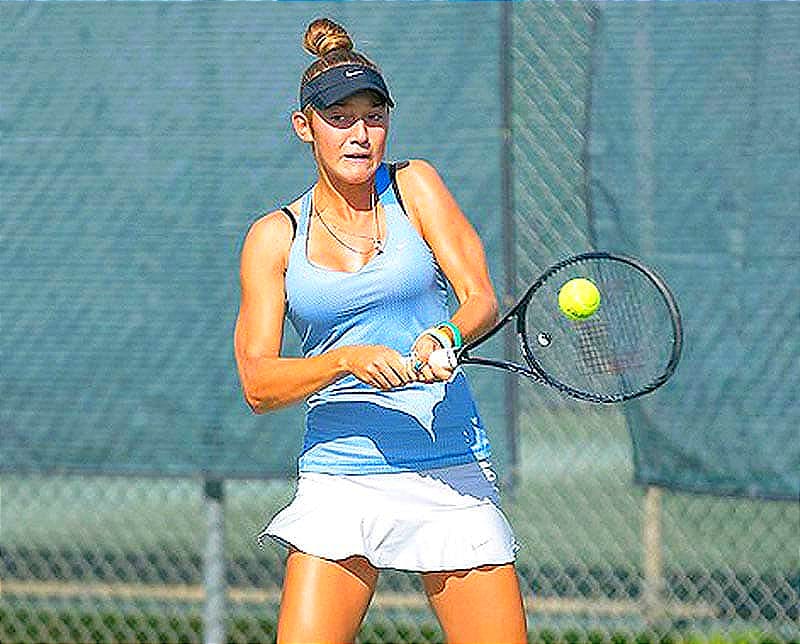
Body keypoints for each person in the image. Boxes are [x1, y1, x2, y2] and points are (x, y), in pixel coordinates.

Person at [234, 17, 527, 644]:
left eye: (373, 117)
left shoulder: (416, 185)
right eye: (339, 118)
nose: (359, 134)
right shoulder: (274, 237)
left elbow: (480, 298)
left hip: (449, 465)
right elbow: (258, 383)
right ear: (305, 126)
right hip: (342, 474)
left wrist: (445, 336)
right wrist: (345, 360)